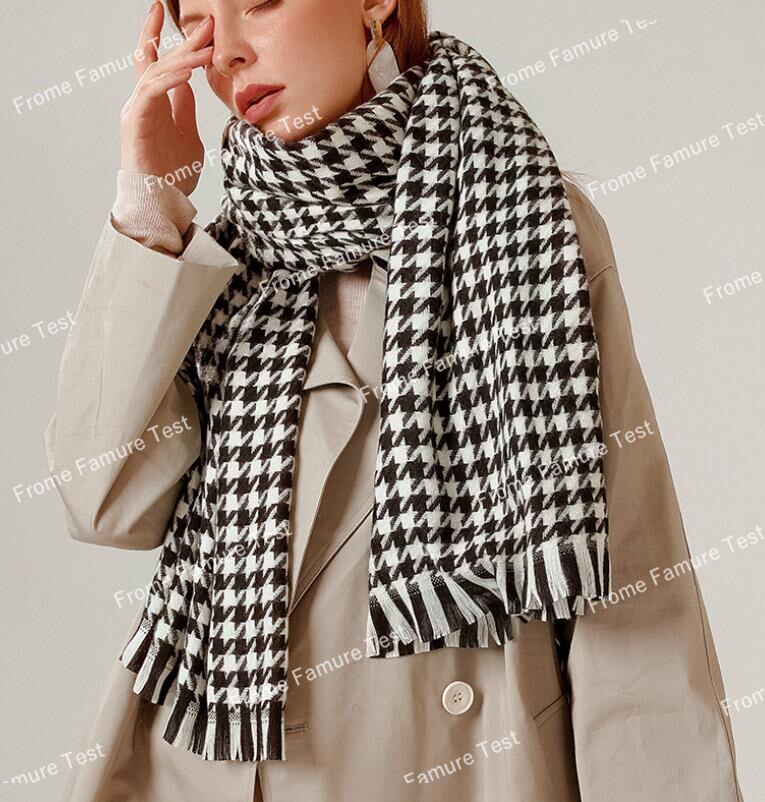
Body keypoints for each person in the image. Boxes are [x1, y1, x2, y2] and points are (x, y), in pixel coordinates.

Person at [45, 1, 743, 800]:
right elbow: (103, 503)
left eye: (259, 2)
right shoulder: (221, 261)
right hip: (216, 764)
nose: (226, 52)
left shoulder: (522, 225)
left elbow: (628, 579)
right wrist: (150, 204)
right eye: (199, 21)